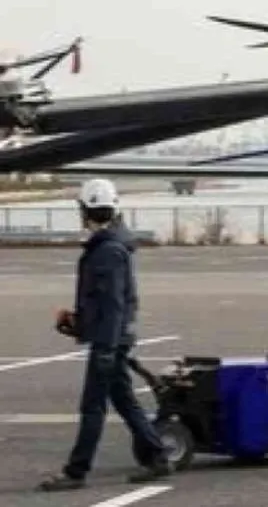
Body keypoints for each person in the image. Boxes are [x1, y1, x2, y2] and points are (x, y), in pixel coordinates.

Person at [38, 178, 172, 492]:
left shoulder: (108, 250)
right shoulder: (111, 245)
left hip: (108, 342)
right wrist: (80, 321)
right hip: (111, 337)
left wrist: (107, 346)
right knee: (124, 400)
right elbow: (105, 301)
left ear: (87, 210)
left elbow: (112, 303)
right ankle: (158, 456)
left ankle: (76, 471)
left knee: (92, 406)